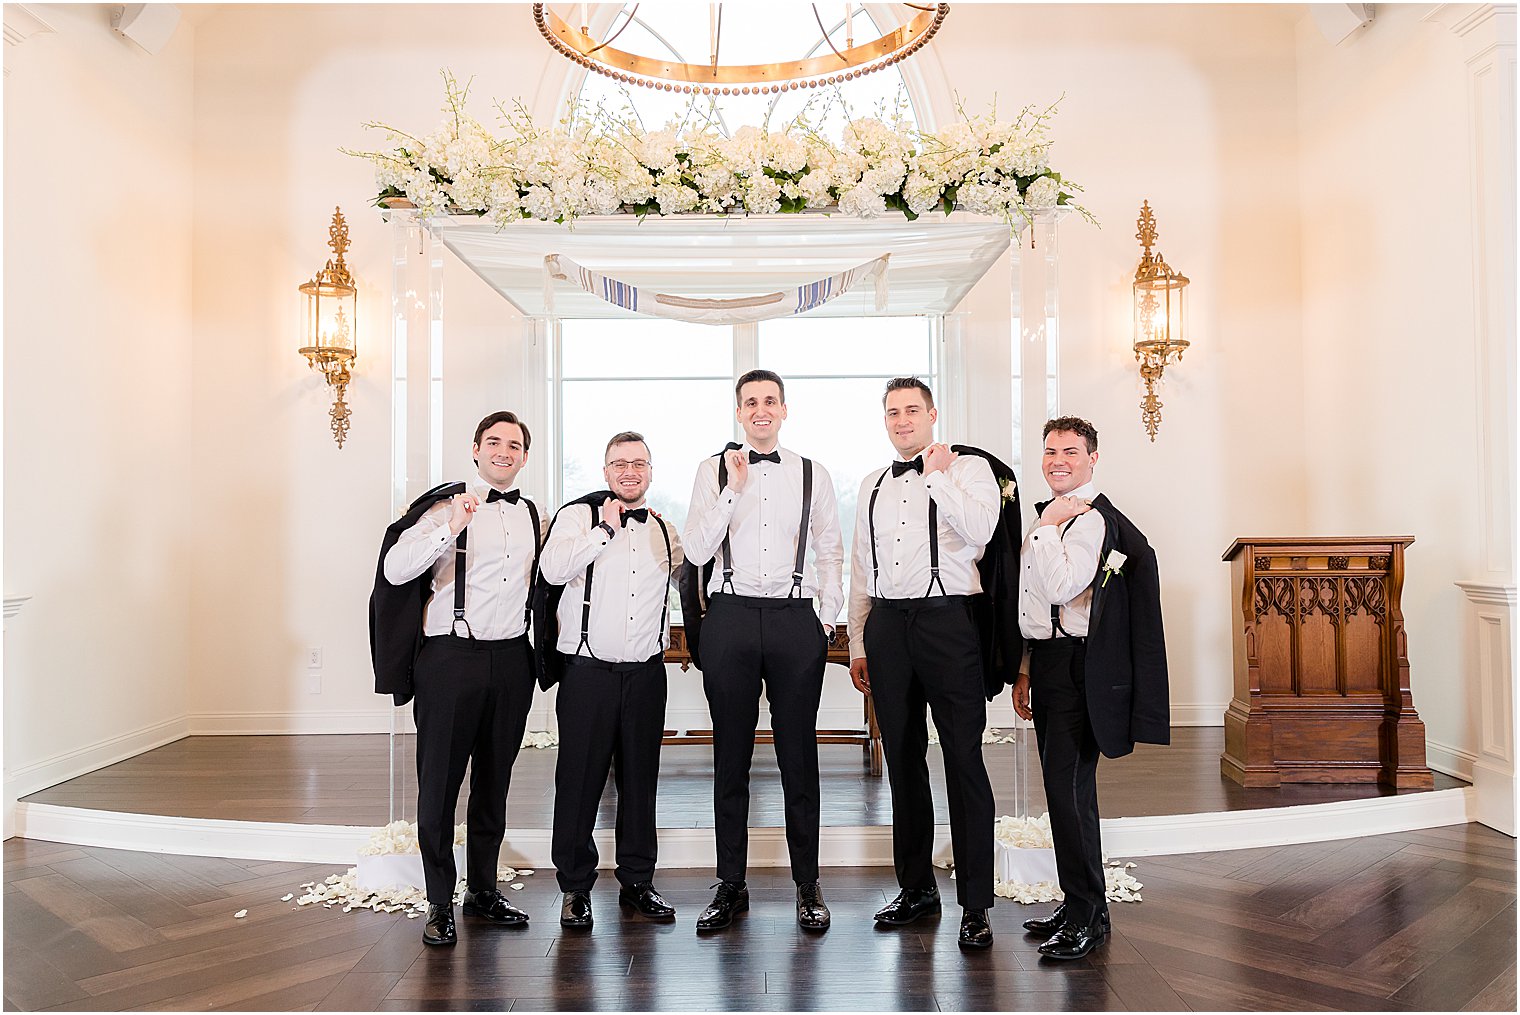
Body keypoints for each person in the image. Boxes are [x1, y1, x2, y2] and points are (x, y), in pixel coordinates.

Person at [682, 369, 844, 932]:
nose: (760, 410)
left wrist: (823, 622)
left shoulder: (812, 472)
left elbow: (830, 549)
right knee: (730, 755)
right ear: (738, 411)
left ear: (783, 409)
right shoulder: (711, 471)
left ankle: (807, 883)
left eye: (769, 401)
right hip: (728, 615)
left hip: (795, 619)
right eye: (750, 402)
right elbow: (698, 548)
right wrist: (732, 487)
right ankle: (731, 885)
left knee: (800, 755)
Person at [847, 377, 1001, 949]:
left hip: (948, 621)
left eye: (912, 410)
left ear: (933, 414)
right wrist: (860, 639)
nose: (902, 419)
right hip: (888, 626)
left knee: (963, 758)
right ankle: (916, 889)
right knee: (903, 759)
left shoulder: (968, 471)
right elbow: (862, 565)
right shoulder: (869, 486)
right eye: (893, 412)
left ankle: (976, 904)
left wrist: (937, 475)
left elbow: (982, 531)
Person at [381, 410, 542, 947]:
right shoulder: (441, 508)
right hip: (450, 660)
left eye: (514, 444)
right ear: (475, 450)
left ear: (524, 455)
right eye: (493, 442)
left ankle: (482, 892)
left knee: (494, 785)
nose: (504, 451)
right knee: (440, 786)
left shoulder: (532, 515)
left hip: (512, 660)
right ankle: (437, 902)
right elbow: (396, 569)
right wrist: (451, 526)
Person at [1012, 416, 1170, 960]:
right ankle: (1082, 905)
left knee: (1068, 790)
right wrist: (1027, 668)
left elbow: (1061, 584)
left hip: (1082, 670)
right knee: (1068, 793)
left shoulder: (1087, 521)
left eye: (1071, 451)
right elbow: (1034, 602)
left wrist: (1047, 528)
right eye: (1050, 449)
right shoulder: (1055, 517)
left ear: (1092, 458)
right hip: (1052, 662)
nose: (1058, 459)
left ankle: (1086, 915)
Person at [539, 432, 683, 930]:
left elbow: (692, 573)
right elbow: (554, 570)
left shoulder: (664, 529)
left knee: (641, 784)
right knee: (578, 782)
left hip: (645, 674)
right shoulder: (575, 518)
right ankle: (575, 888)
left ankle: (638, 882)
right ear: (605, 472)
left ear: (650, 471)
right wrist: (603, 530)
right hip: (587, 674)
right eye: (619, 464)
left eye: (639, 463)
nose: (629, 472)